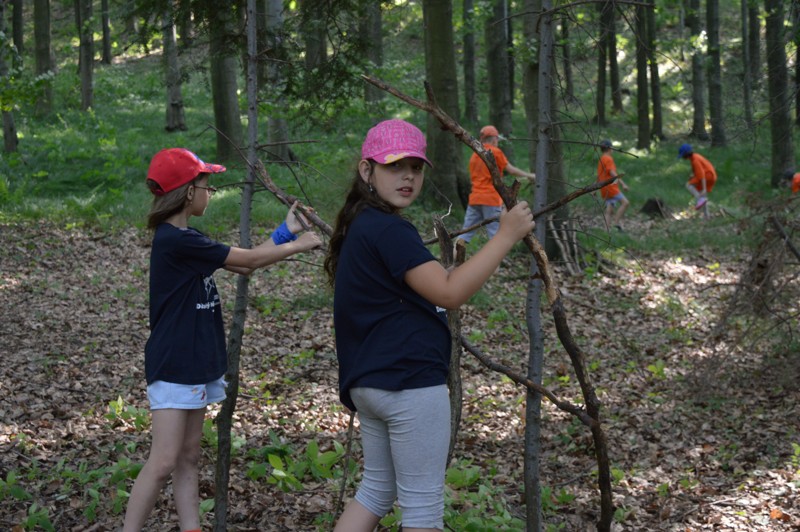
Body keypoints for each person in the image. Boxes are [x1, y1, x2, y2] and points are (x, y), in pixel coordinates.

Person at [323, 119, 534, 532]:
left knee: (377, 490)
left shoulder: (361, 224)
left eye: (416, 168)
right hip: (408, 384)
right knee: (422, 509)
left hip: (370, 381)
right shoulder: (389, 229)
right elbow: (449, 291)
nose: (407, 176)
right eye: (394, 166)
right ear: (367, 170)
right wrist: (505, 236)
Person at [122, 148, 322, 532]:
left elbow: (241, 260)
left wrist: (286, 231)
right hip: (173, 362)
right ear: (186, 192)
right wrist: (299, 245)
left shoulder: (187, 237)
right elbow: (247, 261)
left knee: (189, 456)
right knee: (164, 460)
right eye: (205, 185)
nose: (209, 192)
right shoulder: (173, 241)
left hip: (196, 360)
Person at [456, 125, 536, 245]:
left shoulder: (474, 155)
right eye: (497, 139)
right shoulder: (495, 152)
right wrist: (530, 176)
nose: (497, 142)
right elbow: (511, 170)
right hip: (491, 200)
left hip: (475, 198)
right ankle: (494, 264)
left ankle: (452, 262)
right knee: (495, 237)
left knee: (464, 234)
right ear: (494, 139)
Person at [596, 139, 630, 231]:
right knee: (625, 203)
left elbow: (599, 175)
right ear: (609, 148)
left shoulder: (601, 159)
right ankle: (616, 223)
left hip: (603, 188)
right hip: (611, 188)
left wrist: (595, 189)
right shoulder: (608, 159)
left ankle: (606, 230)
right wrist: (623, 184)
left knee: (609, 210)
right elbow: (612, 173)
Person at [678, 143, 717, 216]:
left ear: (686, 154)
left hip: (708, 176)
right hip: (712, 175)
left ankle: (700, 199)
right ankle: (707, 215)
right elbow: (698, 171)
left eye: (683, 155)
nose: (683, 157)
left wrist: (704, 188)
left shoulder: (695, 160)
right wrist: (693, 176)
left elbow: (701, 174)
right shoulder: (695, 157)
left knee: (689, 185)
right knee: (702, 194)